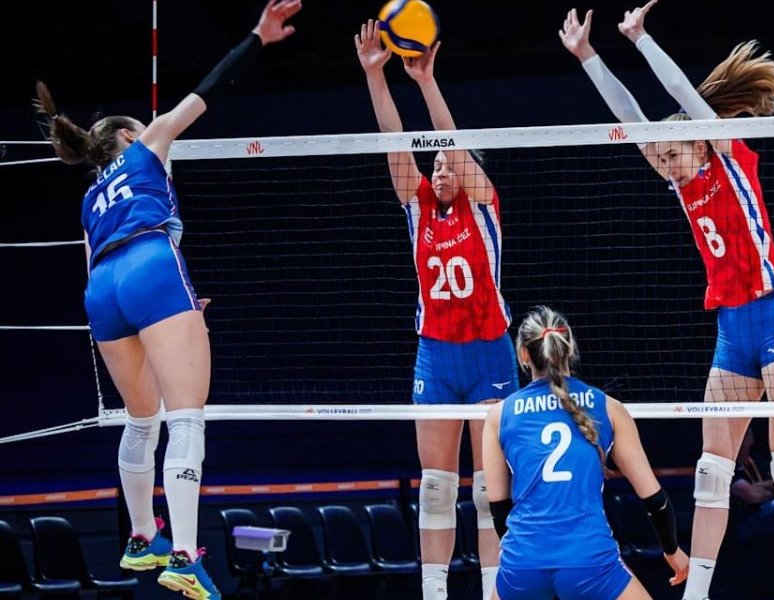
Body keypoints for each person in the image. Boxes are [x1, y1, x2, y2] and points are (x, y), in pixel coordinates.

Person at [33, 2, 301, 598]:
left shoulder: (89, 199)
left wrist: (172, 315)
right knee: (185, 418)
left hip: (102, 291)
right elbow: (208, 91)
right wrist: (257, 37)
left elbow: (96, 270)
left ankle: (139, 537)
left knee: (140, 418)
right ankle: (182, 554)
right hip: (150, 267)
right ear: (128, 137)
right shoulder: (148, 144)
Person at [560, 5, 774, 599]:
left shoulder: (731, 159)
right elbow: (631, 116)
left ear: (700, 142)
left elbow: (679, 93)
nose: (665, 163)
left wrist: (640, 39)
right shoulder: (682, 184)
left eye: (673, 152)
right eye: (662, 156)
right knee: (710, 472)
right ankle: (696, 593)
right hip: (732, 331)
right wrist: (587, 55)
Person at [355, 21, 515, 600]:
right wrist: (376, 77)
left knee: (489, 488)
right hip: (436, 357)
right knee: (437, 486)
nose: (442, 169)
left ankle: (494, 590)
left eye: (450, 164)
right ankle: (434, 591)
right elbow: (394, 141)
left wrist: (426, 82)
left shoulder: (483, 204)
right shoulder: (418, 206)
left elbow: (452, 140)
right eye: (437, 166)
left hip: (490, 353)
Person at [481, 306, 689, 599]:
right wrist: (672, 550)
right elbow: (655, 499)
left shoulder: (498, 415)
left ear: (524, 355)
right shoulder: (608, 407)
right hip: (588, 560)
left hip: (524, 561)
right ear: (568, 350)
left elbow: (498, 509)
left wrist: (534, 558)